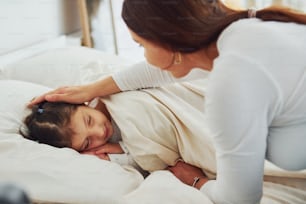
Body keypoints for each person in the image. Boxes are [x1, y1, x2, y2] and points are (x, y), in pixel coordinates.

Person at [28, 0, 306, 203]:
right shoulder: (250, 28)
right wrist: (93, 89)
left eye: (141, 45)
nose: (144, 56)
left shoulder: (231, 84)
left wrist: (196, 181)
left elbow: (239, 200)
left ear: (169, 40)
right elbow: (157, 71)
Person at [22, 99, 145, 175]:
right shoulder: (103, 151)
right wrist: (118, 155)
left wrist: (123, 146)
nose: (100, 132)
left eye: (89, 120)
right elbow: (148, 163)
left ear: (83, 104)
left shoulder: (105, 100)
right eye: (87, 142)